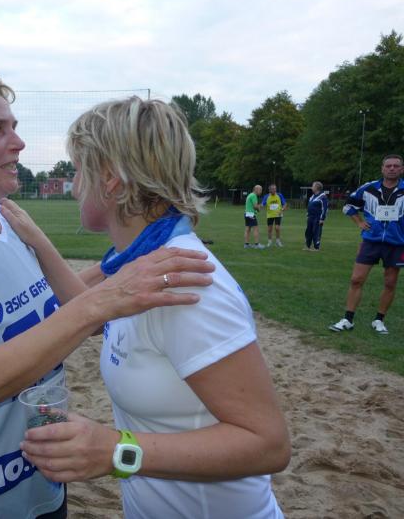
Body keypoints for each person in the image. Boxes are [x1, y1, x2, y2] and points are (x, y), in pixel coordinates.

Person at [0, 65, 216, 519]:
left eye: (14, 127)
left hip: (43, 472)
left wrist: (121, 272)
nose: (18, 142)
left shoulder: (8, 220)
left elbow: (50, 313)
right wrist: (106, 297)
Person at [18, 97, 290, 518]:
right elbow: (86, 312)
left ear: (111, 179)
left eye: (78, 170)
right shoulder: (140, 267)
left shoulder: (187, 283)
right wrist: (37, 240)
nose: (75, 185)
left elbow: (268, 444)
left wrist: (116, 450)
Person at [330, 154, 404, 335]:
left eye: (396, 166)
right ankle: (348, 319)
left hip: (397, 244)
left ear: (401, 169)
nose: (392, 169)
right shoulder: (368, 188)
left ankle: (379, 320)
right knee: (356, 279)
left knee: (390, 283)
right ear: (382, 169)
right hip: (371, 241)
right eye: (388, 166)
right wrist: (359, 222)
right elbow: (348, 206)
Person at [304, 181, 328, 251]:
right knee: (308, 232)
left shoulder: (323, 196)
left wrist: (322, 218)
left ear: (317, 187)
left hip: (317, 218)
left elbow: (325, 208)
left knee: (316, 232)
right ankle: (308, 246)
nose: (311, 187)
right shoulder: (312, 196)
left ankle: (316, 247)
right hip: (310, 217)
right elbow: (310, 205)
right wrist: (308, 214)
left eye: (313, 186)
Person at [244, 184, 264, 249]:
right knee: (256, 229)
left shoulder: (250, 195)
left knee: (247, 229)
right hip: (251, 214)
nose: (261, 192)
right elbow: (255, 206)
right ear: (256, 189)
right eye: (260, 190)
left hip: (247, 214)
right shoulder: (254, 195)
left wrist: (258, 207)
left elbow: (253, 206)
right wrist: (260, 207)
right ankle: (257, 244)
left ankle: (246, 244)